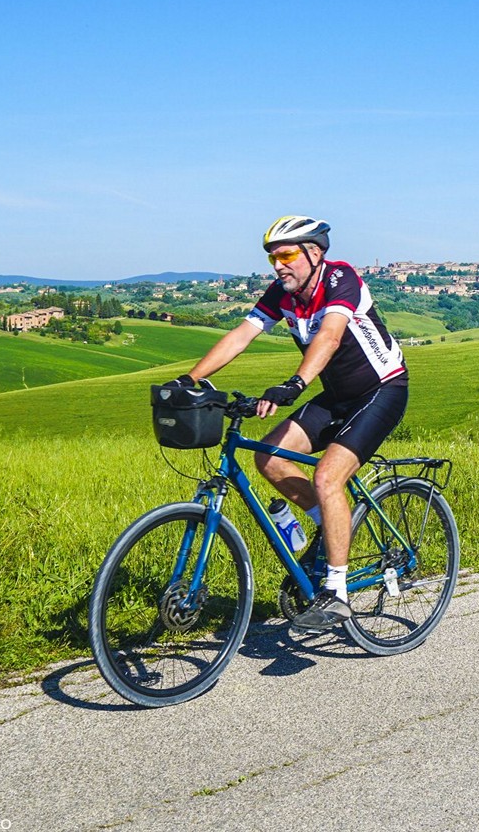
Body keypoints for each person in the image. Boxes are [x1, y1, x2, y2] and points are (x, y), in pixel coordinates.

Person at [166, 215, 408, 632]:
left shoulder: (340, 279)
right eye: (272, 258)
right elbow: (242, 335)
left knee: (327, 477)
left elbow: (330, 337)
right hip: (336, 396)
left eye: (286, 255)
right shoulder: (282, 294)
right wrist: (189, 379)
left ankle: (337, 594)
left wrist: (295, 383)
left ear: (313, 253)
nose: (278, 266)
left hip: (381, 390)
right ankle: (330, 527)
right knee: (270, 458)